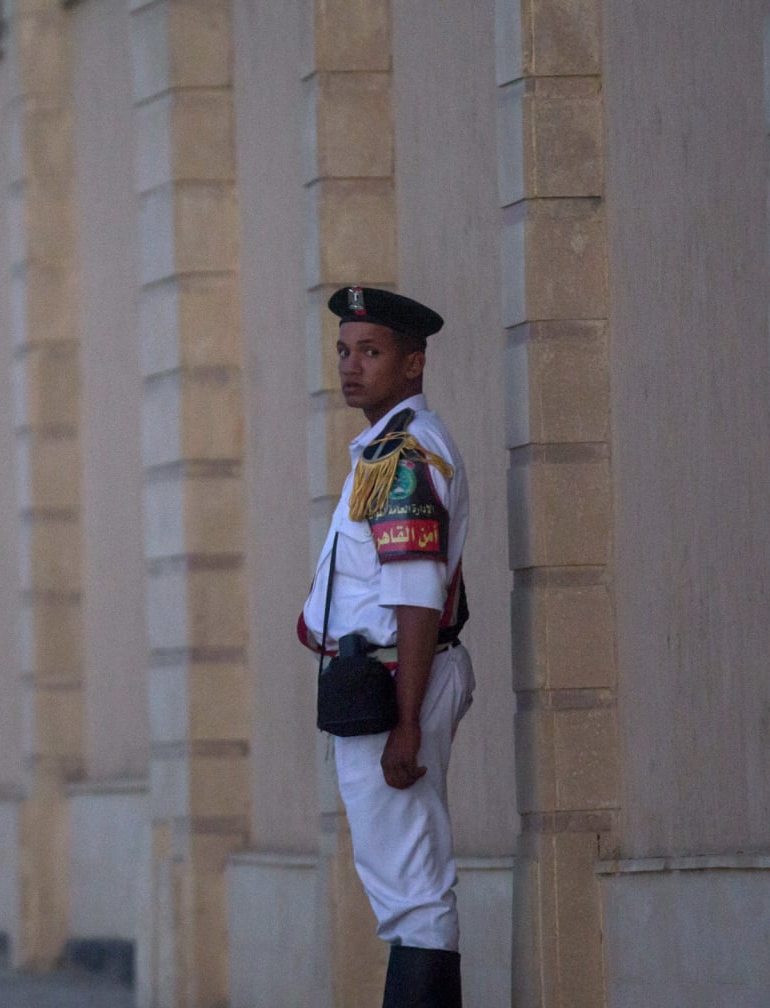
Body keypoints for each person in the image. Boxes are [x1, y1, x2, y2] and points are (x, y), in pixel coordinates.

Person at [298, 287, 473, 1007]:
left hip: (396, 682)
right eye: (344, 350)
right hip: (375, 682)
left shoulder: (405, 457)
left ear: (413, 364)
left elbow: (416, 595)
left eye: (371, 352)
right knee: (404, 886)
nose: (351, 366)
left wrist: (406, 724)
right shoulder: (383, 451)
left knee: (414, 894)